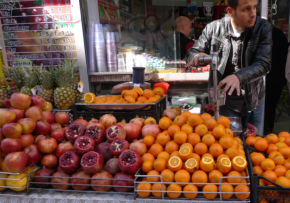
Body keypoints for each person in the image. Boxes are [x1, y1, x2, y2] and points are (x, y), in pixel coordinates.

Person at [186, 0, 272, 136]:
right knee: (228, 145)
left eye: (255, 7)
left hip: (254, 101)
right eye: (246, 9)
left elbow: (264, 63)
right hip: (226, 103)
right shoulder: (213, 29)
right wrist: (199, 57)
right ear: (230, 12)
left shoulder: (262, 27)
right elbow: (191, 53)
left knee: (254, 147)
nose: (253, 13)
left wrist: (239, 76)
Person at [263, 26, 288, 134]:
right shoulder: (280, 34)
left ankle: (265, 131)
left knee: (262, 108)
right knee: (271, 107)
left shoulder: (262, 35)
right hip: (277, 79)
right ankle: (268, 131)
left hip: (267, 78)